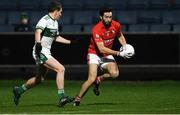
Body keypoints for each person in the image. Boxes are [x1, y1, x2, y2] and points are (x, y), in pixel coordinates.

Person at [13, 1, 75, 107]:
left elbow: (56, 37)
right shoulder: (45, 19)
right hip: (40, 51)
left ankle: (19, 90)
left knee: (39, 79)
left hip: (45, 51)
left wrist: (70, 42)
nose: (61, 14)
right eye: (60, 12)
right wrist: (38, 45)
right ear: (56, 11)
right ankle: (62, 97)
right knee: (61, 69)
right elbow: (38, 31)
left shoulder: (55, 22)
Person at [74, 8, 132, 106]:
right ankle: (78, 98)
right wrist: (119, 53)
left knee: (115, 74)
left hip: (107, 54)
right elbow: (101, 49)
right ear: (101, 17)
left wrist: (125, 47)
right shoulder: (96, 29)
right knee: (91, 78)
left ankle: (99, 79)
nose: (109, 19)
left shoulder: (116, 25)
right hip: (94, 54)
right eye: (106, 17)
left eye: (110, 17)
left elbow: (120, 36)